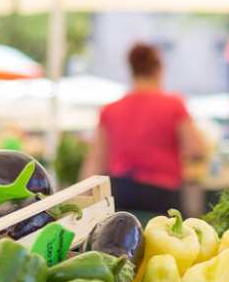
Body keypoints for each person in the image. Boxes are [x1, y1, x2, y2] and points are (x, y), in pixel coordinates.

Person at [81, 43, 205, 213]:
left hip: (120, 190)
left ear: (132, 71)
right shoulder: (174, 105)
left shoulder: (110, 109)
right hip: (162, 193)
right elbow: (197, 149)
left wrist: (83, 200)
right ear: (158, 71)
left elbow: (96, 159)